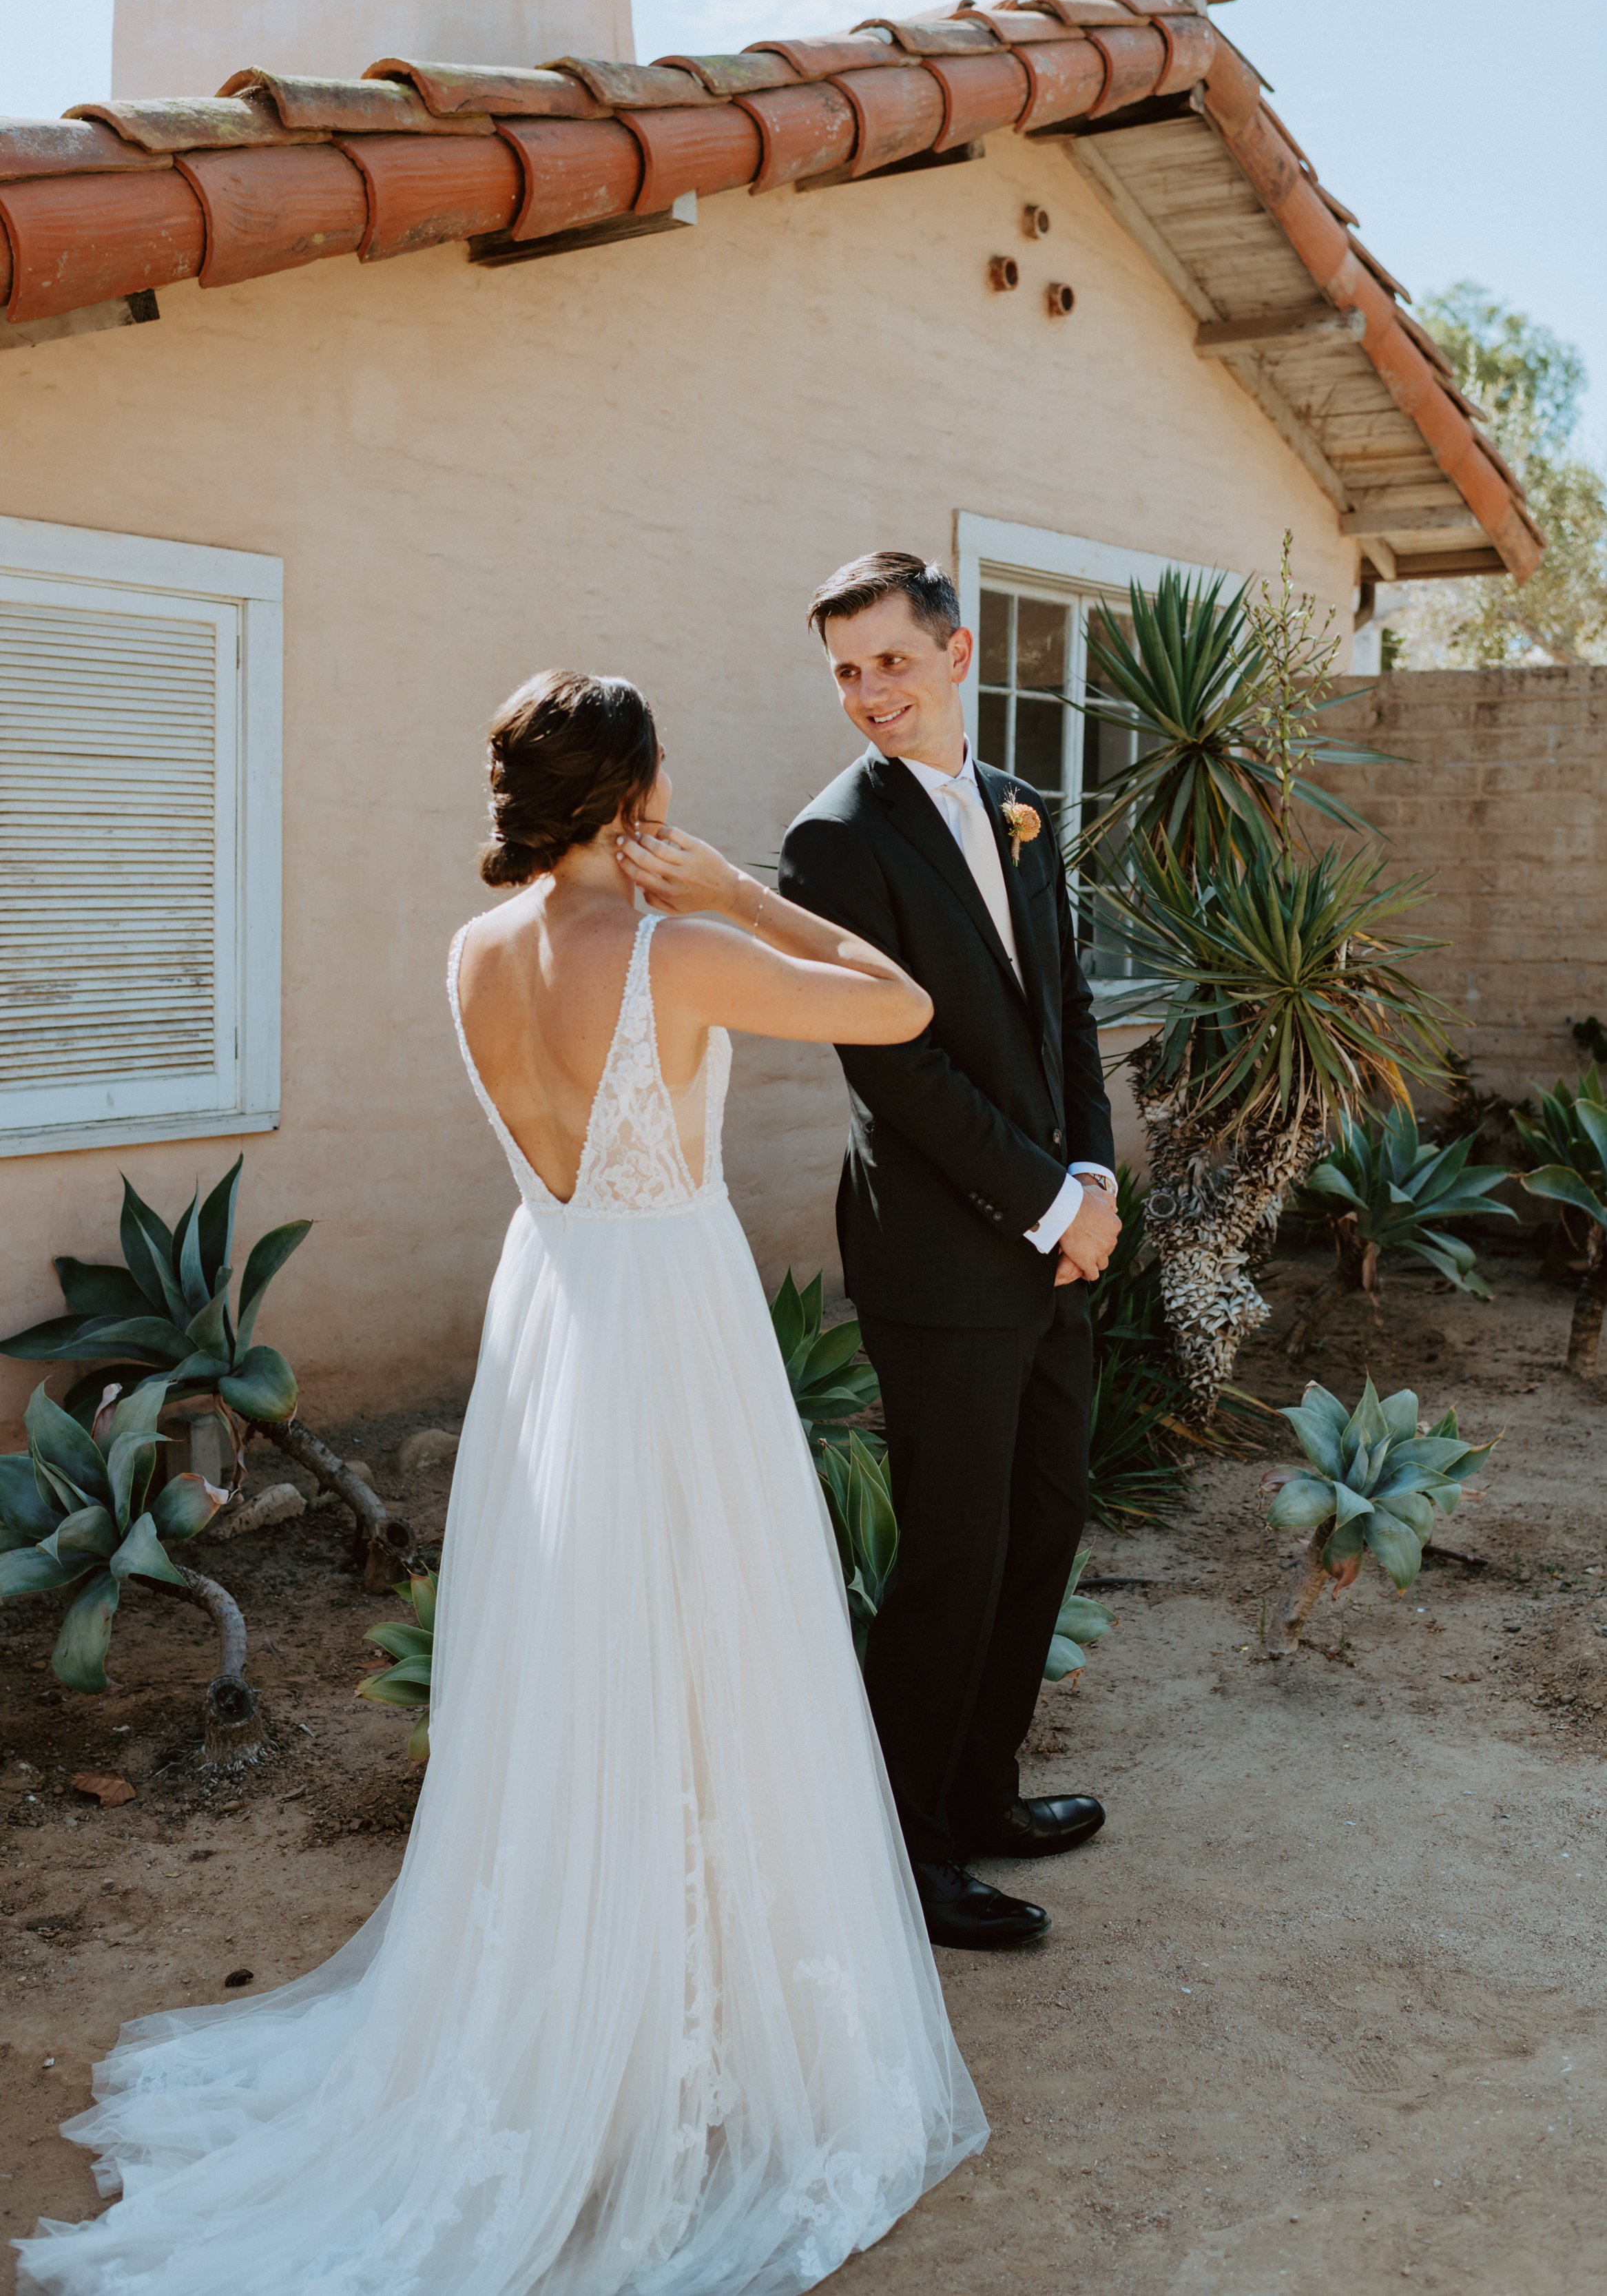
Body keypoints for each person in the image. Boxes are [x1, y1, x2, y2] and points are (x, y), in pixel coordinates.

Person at [17, 670, 986, 2296]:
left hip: (553, 1305)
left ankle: (581, 1986)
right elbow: (903, 1004)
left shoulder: (472, 951)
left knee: (573, 1663)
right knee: (707, 1646)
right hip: (669, 1318)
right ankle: (681, 2024)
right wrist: (738, 885)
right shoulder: (682, 948)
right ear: (634, 794)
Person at [778, 553, 1121, 1955]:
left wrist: (1093, 1175)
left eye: (891, 662)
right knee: (948, 1564)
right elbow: (901, 1075)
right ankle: (903, 1856)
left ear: (956, 651)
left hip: (1059, 1241)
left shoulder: (1017, 804)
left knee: (1044, 1527)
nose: (870, 693)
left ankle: (981, 1793)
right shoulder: (832, 842)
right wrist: (1049, 1199)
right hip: (941, 1265)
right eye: (847, 671)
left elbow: (1069, 1018)